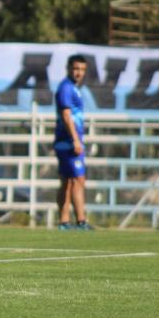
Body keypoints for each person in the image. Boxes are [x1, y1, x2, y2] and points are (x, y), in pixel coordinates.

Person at [54, 54, 93, 231]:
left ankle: (66, 221)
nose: (79, 72)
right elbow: (66, 115)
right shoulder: (66, 88)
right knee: (77, 179)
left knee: (69, 181)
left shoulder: (74, 88)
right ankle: (79, 220)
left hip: (70, 140)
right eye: (76, 68)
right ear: (69, 68)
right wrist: (75, 140)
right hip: (68, 141)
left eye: (82, 69)